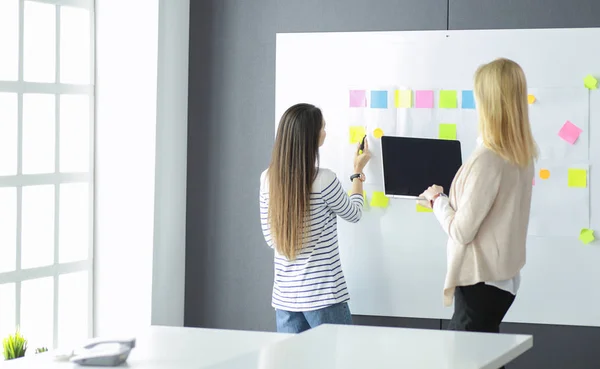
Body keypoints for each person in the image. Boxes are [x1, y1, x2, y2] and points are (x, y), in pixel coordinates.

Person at [418, 58, 537, 340]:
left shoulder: (488, 159)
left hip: (479, 281)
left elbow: (461, 230)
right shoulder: (521, 154)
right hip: (502, 280)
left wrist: (438, 201)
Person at [259, 103, 371, 333]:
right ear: (310, 136)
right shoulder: (324, 180)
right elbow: (354, 212)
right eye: (322, 128)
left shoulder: (267, 179)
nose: (325, 132)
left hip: (285, 300)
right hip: (323, 297)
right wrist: (357, 173)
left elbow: (271, 239)